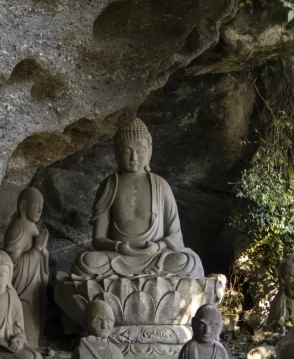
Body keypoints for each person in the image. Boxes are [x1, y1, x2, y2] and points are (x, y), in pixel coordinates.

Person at [72, 118, 203, 278]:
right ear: (116, 153)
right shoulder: (110, 185)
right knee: (87, 261)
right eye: (126, 152)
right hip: (119, 257)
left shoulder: (161, 185)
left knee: (186, 261)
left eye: (140, 151)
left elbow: (176, 236)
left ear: (150, 151)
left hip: (156, 257)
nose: (134, 158)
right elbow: (98, 239)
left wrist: (157, 247)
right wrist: (118, 247)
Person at [4, 187, 49, 349]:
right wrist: (37, 250)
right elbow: (11, 265)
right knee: (25, 317)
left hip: (33, 286)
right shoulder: (18, 228)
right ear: (23, 206)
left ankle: (33, 342)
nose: (40, 211)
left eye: (41, 207)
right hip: (21, 292)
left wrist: (43, 253)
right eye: (36, 206)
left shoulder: (33, 227)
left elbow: (40, 260)